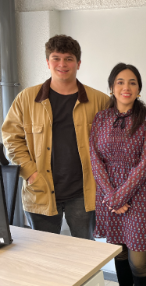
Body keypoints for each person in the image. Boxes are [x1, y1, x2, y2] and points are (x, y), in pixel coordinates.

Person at [2, 34, 109, 239]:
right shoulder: (26, 98)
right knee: (45, 255)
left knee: (84, 252)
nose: (62, 64)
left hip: (83, 193)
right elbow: (11, 137)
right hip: (40, 189)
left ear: (78, 63)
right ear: (47, 62)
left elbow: (114, 140)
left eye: (69, 58)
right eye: (56, 58)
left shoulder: (99, 101)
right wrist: (31, 173)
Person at [89, 63, 146, 286]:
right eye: (120, 82)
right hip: (107, 194)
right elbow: (95, 159)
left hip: (140, 196)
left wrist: (120, 197)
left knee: (138, 262)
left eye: (132, 82)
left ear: (139, 89)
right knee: (118, 254)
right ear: (111, 87)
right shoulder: (101, 118)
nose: (126, 87)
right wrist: (112, 196)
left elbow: (145, 162)